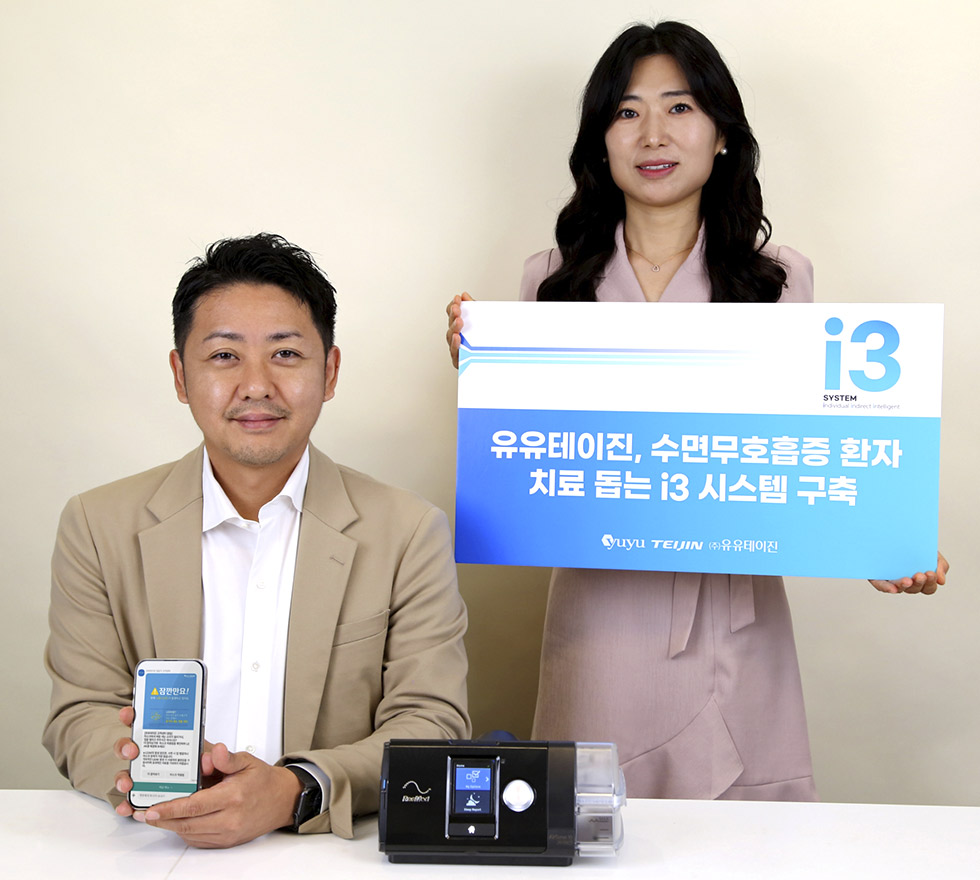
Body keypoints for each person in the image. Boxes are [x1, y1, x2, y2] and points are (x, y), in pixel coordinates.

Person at [447, 21, 947, 801]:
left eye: (679, 107)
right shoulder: (550, 282)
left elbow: (808, 449)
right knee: (592, 823)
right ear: (600, 142)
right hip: (600, 621)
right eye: (627, 112)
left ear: (721, 134)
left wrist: (887, 539)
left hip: (732, 619)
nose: (653, 134)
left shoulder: (779, 279)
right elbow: (532, 465)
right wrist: (486, 370)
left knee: (745, 838)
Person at [44, 233, 470, 848]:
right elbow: (80, 711)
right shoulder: (96, 524)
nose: (256, 384)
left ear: (329, 372)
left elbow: (432, 723)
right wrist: (158, 775)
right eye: (224, 356)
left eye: (286, 354)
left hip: (327, 854)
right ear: (180, 375)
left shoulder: (408, 531)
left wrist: (296, 789)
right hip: (152, 848)